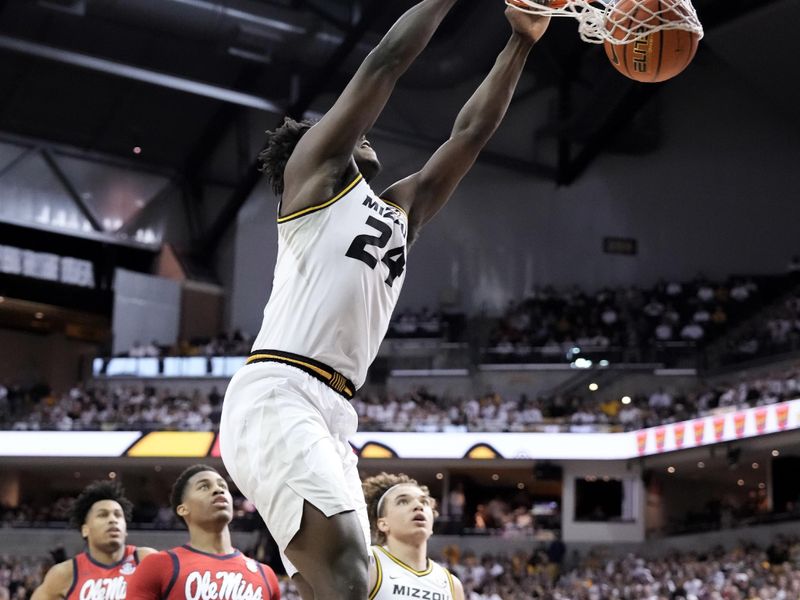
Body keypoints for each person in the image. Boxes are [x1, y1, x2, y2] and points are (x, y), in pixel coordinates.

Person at [219, 1, 550, 597]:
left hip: (334, 407)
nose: (363, 130)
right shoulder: (313, 178)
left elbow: (470, 135)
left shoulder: (398, 210)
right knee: (349, 570)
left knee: (358, 584)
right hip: (279, 389)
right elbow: (387, 62)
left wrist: (520, 44)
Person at [127, 464, 280, 600]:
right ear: (183, 509)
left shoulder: (266, 574)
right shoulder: (158, 565)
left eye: (223, 486)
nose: (218, 490)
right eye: (204, 487)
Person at [31, 480, 155, 600]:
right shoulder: (65, 574)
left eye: (118, 515)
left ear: (125, 529)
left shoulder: (147, 560)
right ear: (85, 529)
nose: (113, 520)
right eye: (103, 515)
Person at [362, 473, 464, 600]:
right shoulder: (368, 564)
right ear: (383, 524)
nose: (419, 506)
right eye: (403, 501)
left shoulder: (452, 585)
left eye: (424, 502)